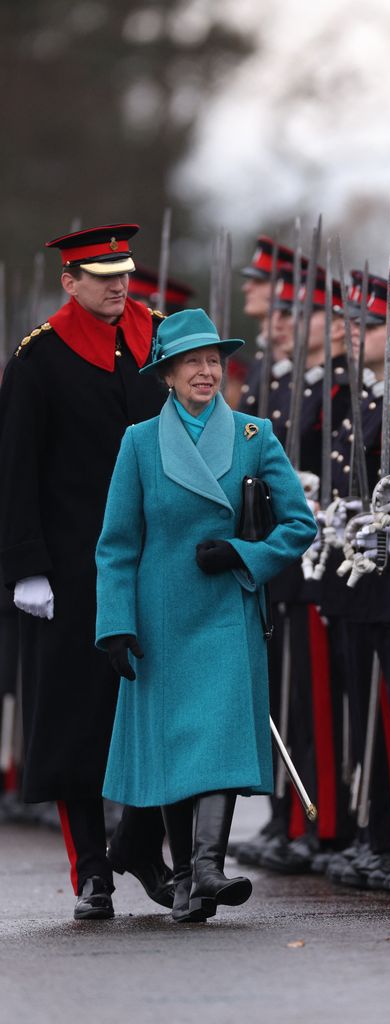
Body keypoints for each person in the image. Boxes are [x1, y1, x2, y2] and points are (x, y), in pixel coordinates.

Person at [95, 308, 317, 923]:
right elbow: (117, 543)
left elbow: (301, 525)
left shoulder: (254, 435)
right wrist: (114, 622)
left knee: (214, 733)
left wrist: (245, 553)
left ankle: (208, 869)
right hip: (159, 615)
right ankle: (191, 881)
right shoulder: (138, 442)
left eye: (213, 361)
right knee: (174, 744)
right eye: (191, 361)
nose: (205, 372)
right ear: (166, 373)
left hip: (225, 607)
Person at [0, 223, 174, 921]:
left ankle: (141, 841)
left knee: (159, 708)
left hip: (157, 556)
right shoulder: (39, 359)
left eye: (125, 275)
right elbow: (17, 472)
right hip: (73, 566)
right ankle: (92, 868)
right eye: (102, 278)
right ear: (70, 282)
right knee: (78, 719)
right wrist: (25, 568)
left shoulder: (162, 339)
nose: (119, 287)